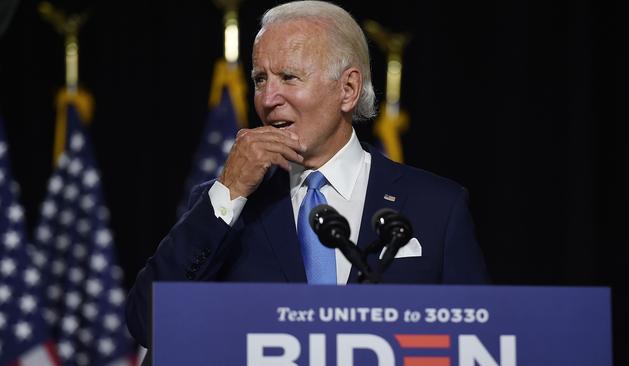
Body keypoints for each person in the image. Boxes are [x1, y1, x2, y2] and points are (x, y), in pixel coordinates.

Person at [126, 0, 489, 349]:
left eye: (288, 77)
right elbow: (149, 323)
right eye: (259, 79)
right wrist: (231, 190)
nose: (268, 99)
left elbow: (480, 342)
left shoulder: (437, 207)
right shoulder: (228, 205)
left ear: (347, 90)